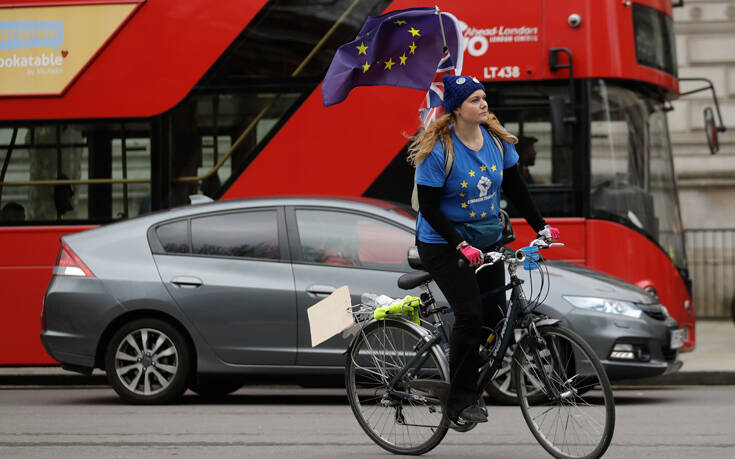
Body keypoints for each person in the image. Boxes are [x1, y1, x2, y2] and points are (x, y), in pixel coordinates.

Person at [408, 75, 559, 425]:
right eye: (475, 100)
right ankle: (460, 399)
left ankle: (466, 368)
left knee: (495, 318)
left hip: (486, 238)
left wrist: (541, 227)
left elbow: (518, 189)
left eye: (484, 98)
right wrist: (460, 244)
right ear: (457, 108)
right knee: (471, 314)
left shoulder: (495, 139)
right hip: (443, 243)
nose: (484, 104)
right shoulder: (439, 148)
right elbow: (429, 208)